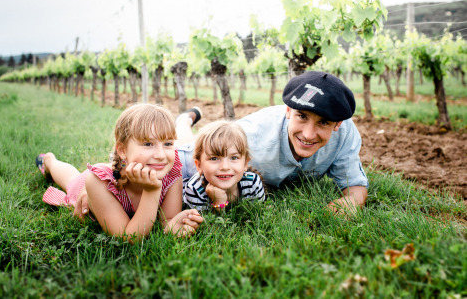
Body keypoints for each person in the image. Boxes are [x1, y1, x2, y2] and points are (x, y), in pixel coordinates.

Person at [177, 71, 368, 215]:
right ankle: (183, 121)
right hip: (215, 143)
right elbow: (200, 157)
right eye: (301, 116)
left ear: (338, 124)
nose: (309, 135)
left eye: (323, 122)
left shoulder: (345, 133)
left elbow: (355, 184)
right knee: (188, 144)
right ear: (288, 111)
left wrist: (350, 202)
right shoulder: (253, 136)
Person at [36, 103, 203, 242]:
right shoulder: (98, 183)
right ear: (122, 150)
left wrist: (173, 226)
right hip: (93, 184)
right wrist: (152, 190)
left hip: (120, 169)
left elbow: (166, 222)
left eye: (167, 144)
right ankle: (49, 161)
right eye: (147, 144)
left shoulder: (172, 171)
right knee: (71, 179)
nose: (161, 155)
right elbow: (129, 237)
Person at [183, 121, 266, 211]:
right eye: (214, 158)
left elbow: (260, 214)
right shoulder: (194, 189)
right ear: (199, 165)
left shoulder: (253, 183)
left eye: (234, 158)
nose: (225, 167)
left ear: (245, 163)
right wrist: (218, 202)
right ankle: (184, 121)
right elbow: (207, 223)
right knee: (183, 139)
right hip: (184, 164)